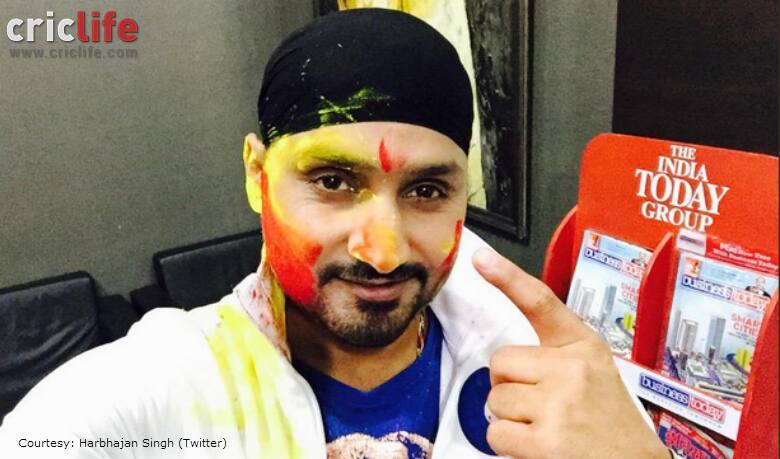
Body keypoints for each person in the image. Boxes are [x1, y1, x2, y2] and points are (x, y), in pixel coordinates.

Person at [0, 9, 669, 459]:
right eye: (333, 181)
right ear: (257, 176)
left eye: (427, 190)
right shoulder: (159, 391)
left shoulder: (539, 365)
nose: (384, 251)